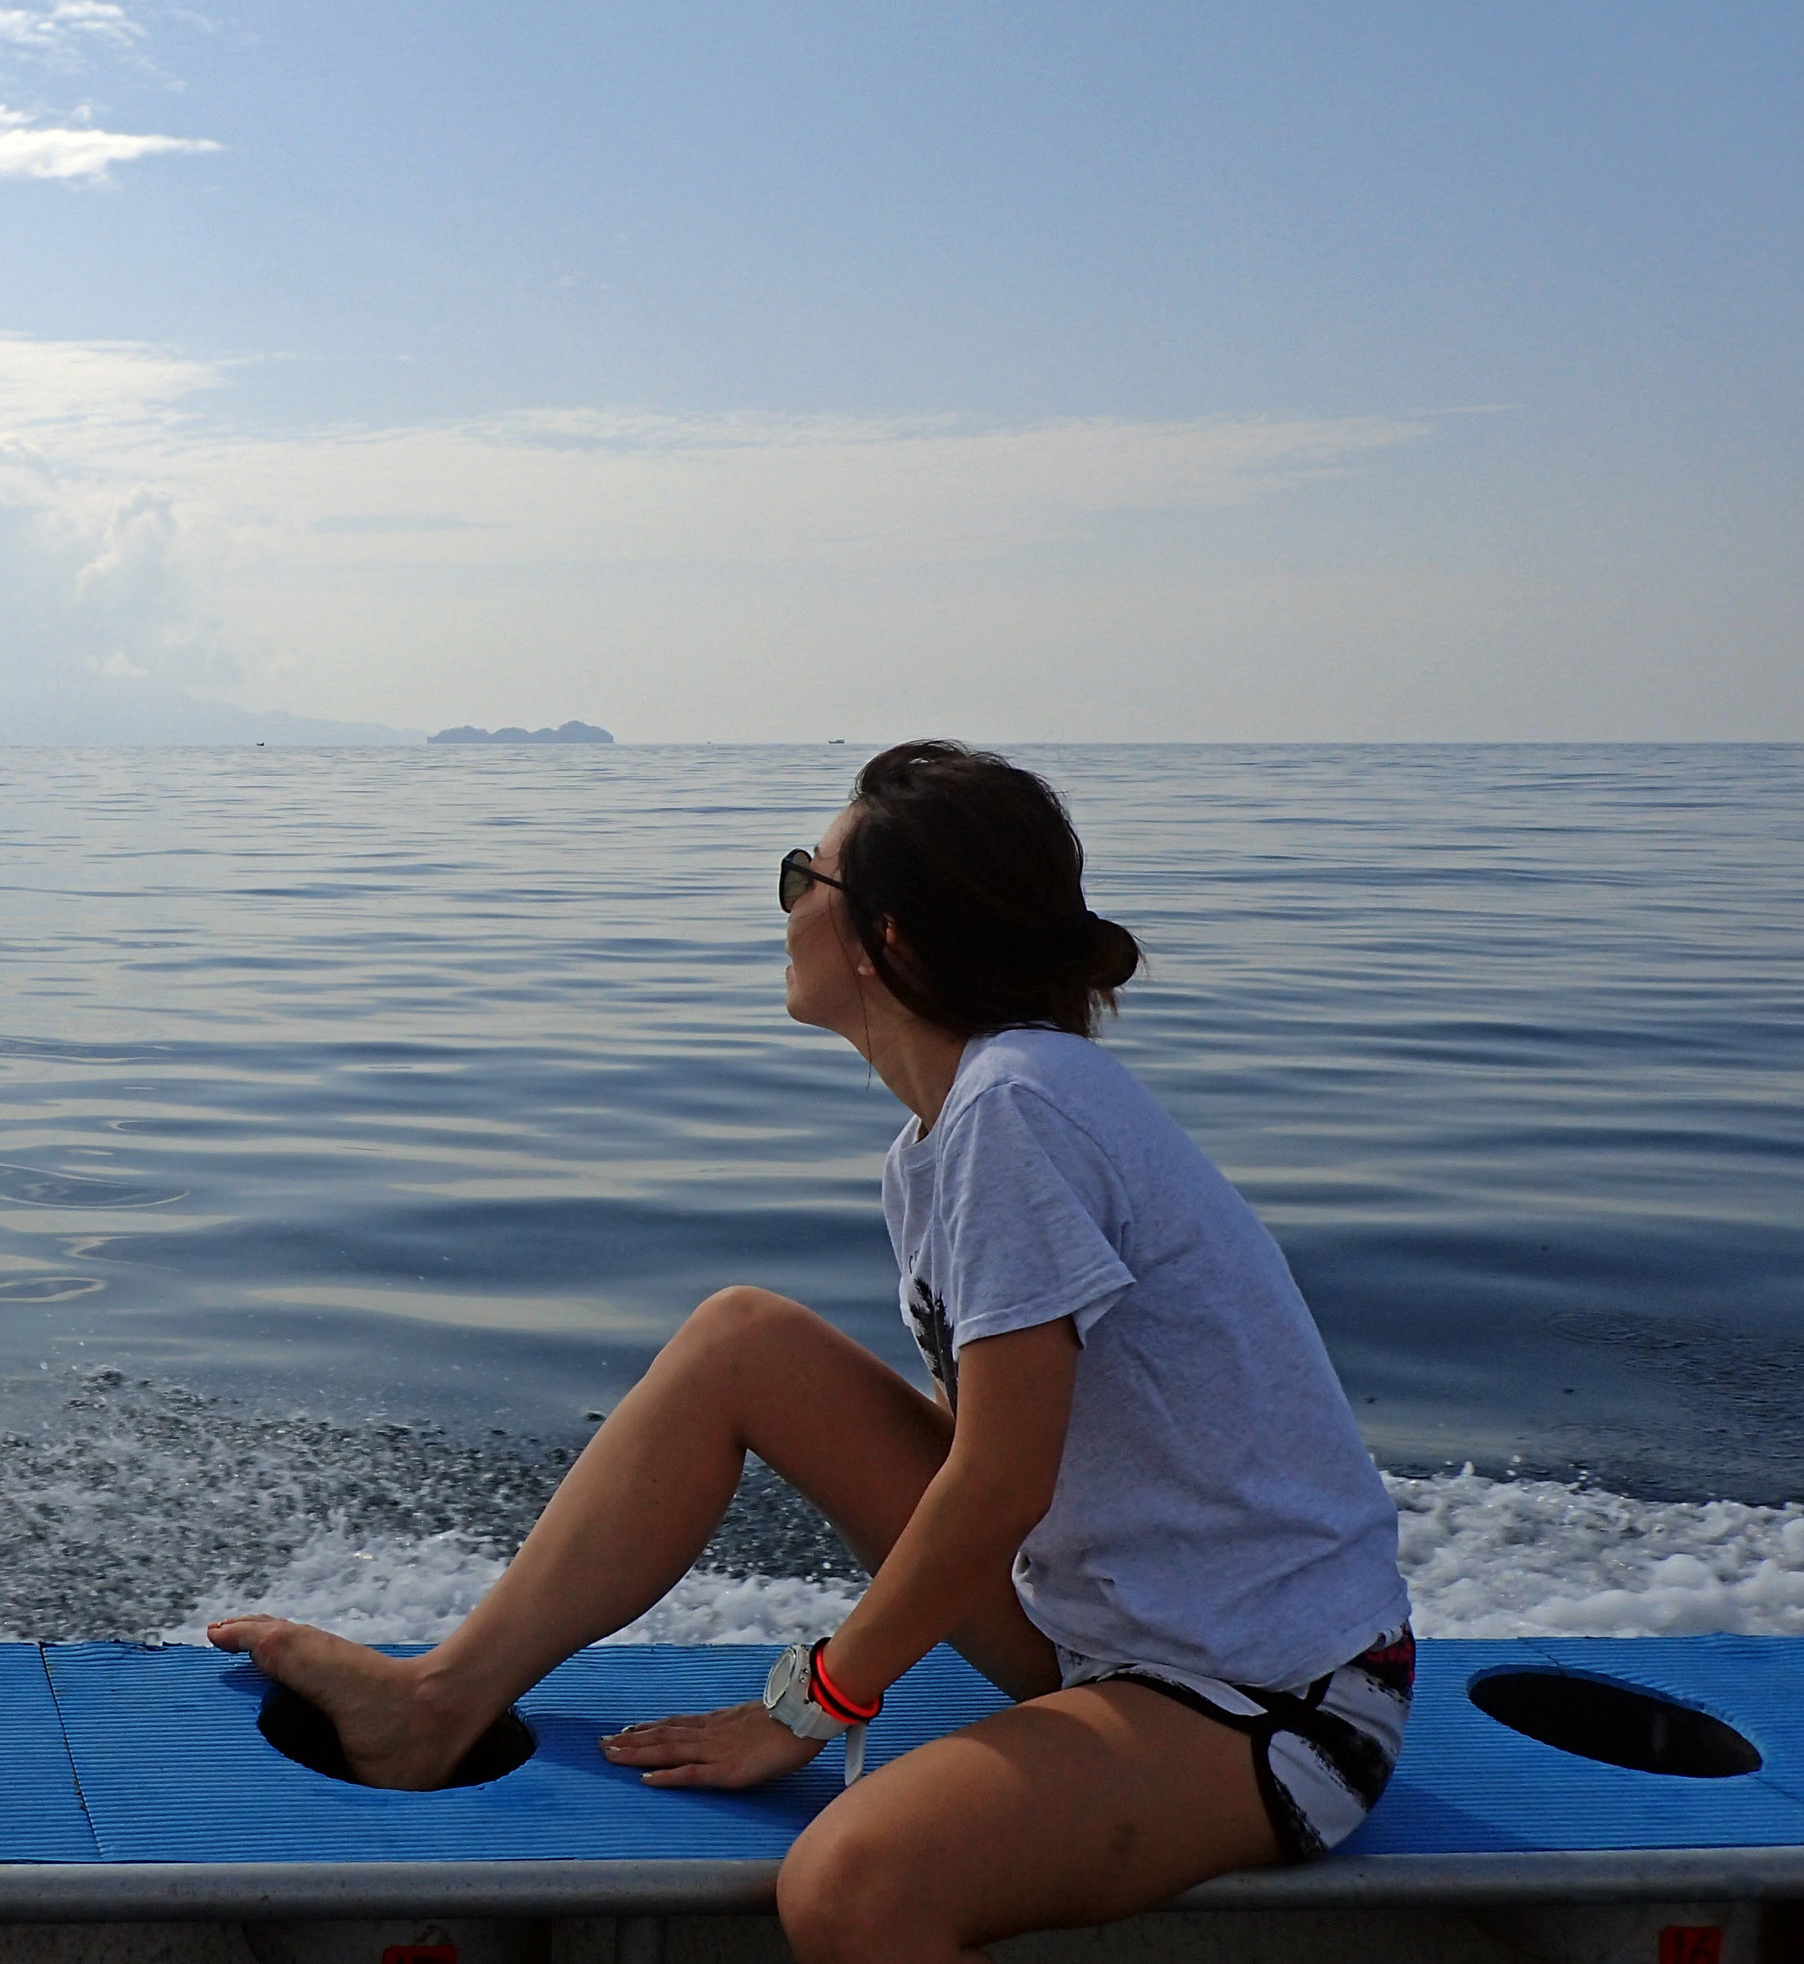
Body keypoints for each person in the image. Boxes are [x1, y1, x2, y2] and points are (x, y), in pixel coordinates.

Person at [211, 742, 1412, 1964]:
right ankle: (439, 1700)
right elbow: (980, 1459)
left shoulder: (1016, 1108)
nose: (784, 904)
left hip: (1267, 1703)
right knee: (744, 1339)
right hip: (1106, 1625)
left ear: (884, 936)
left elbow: (1001, 1479)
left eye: (804, 874)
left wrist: (811, 1701)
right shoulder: (937, 1143)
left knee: (850, 1883)